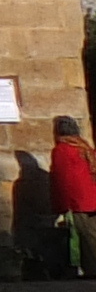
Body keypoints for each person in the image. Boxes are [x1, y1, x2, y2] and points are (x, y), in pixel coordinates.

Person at [52, 117, 96, 280]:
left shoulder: (62, 149)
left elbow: (62, 179)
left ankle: (92, 269)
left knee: (87, 236)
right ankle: (90, 268)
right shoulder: (84, 146)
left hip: (79, 200)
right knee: (90, 234)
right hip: (91, 197)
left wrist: (60, 205)